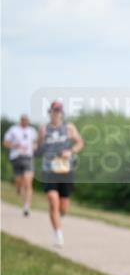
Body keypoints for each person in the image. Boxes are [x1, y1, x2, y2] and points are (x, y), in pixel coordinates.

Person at [38, 101, 84, 247]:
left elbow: (80, 143)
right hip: (49, 170)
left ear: (62, 113)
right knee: (53, 200)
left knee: (63, 208)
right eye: (54, 111)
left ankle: (57, 217)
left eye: (58, 111)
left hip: (65, 170)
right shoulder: (43, 128)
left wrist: (70, 151)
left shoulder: (69, 128)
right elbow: (38, 147)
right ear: (50, 112)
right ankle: (58, 234)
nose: (56, 113)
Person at [3, 114, 38, 216]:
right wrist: (14, 145)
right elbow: (5, 143)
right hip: (16, 158)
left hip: (28, 157)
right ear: (20, 120)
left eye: (26, 120)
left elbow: (36, 143)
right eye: (23, 120)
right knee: (19, 181)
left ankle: (26, 206)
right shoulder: (13, 130)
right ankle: (18, 188)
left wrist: (34, 147)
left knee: (28, 182)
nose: (25, 121)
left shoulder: (32, 131)